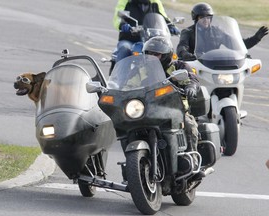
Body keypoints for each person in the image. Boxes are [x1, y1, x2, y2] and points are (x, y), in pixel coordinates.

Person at [143, 36, 205, 180]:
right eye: (149, 54)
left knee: (190, 126)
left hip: (176, 110)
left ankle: (193, 166)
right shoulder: (142, 69)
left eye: (156, 54)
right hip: (148, 110)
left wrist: (190, 87)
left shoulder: (179, 67)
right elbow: (128, 82)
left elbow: (192, 79)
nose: (152, 57)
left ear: (166, 55)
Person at [177, 2, 269, 61]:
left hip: (213, 65)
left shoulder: (217, 32)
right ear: (196, 19)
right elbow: (182, 47)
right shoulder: (188, 32)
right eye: (202, 18)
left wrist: (256, 38)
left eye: (208, 17)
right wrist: (186, 54)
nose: (205, 20)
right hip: (194, 64)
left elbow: (237, 44)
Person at [113, 0, 180, 62]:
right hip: (130, 39)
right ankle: (119, 73)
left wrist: (171, 26)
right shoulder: (126, 1)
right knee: (124, 48)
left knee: (165, 51)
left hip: (150, 40)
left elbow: (163, 16)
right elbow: (118, 18)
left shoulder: (155, 1)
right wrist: (122, 24)